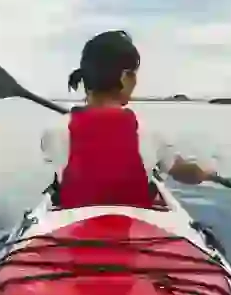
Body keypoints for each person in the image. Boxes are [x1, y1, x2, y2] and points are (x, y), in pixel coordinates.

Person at [41, 30, 214, 209]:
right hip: (136, 229)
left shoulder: (54, 131)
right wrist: (204, 172)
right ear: (126, 77)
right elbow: (184, 173)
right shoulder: (149, 132)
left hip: (73, 228)